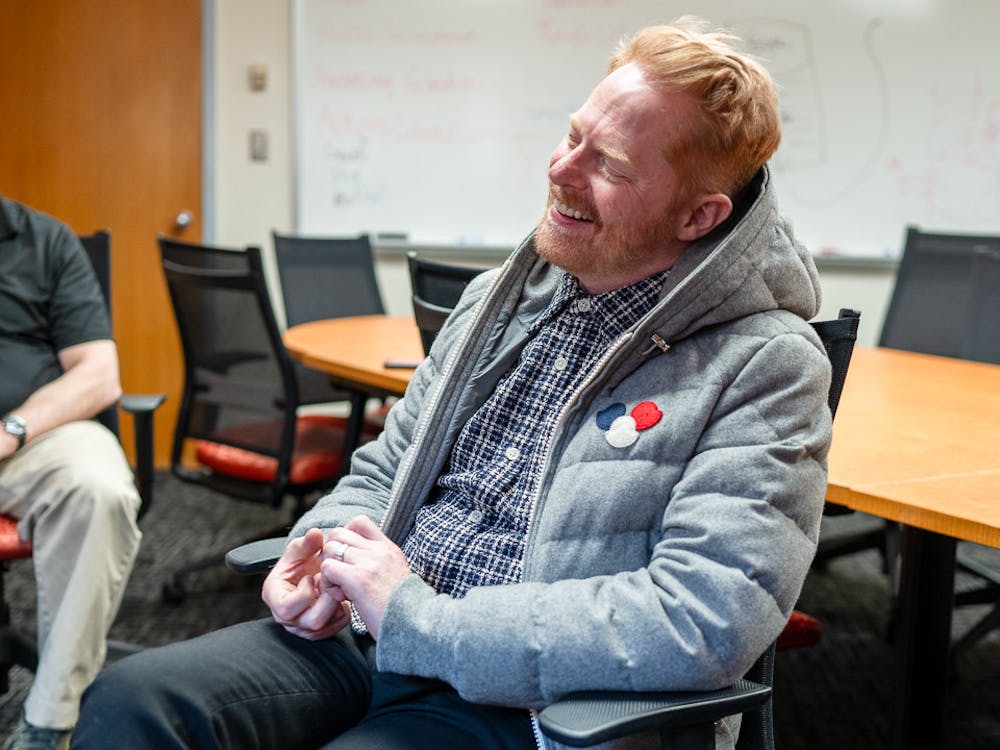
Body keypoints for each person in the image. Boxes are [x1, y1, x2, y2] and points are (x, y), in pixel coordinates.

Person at [73, 16, 832, 750]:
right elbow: (384, 466)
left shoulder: (765, 364)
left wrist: (419, 619)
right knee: (131, 703)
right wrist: (316, 553)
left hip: (521, 699)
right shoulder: (501, 298)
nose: (562, 169)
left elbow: (700, 620)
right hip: (372, 636)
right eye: (573, 136)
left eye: (611, 165)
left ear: (699, 216)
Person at [0, 196, 142, 750]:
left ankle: (49, 721)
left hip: (31, 435)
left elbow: (99, 375)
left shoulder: (45, 241)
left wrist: (12, 430)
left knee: (98, 489)